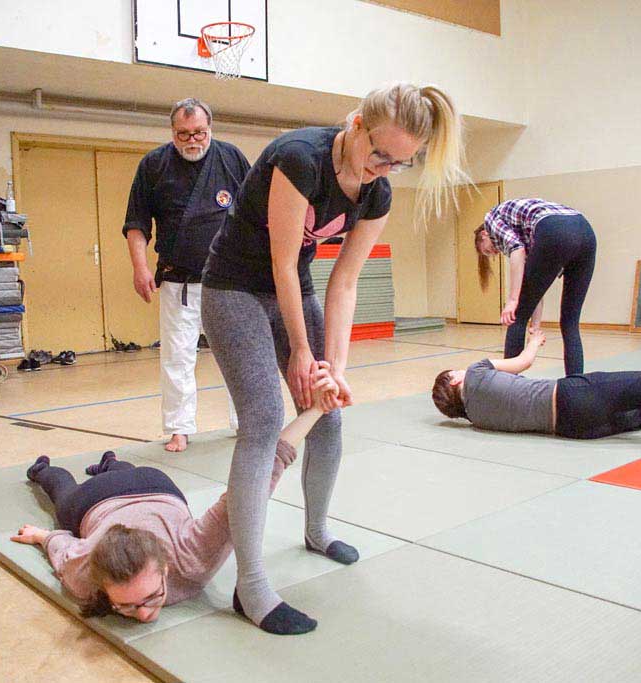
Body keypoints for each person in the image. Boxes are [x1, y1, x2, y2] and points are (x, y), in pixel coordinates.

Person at [200, 82, 470, 635]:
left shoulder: (377, 193)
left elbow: (344, 282)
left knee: (329, 412)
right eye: (378, 154)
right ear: (354, 125)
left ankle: (316, 530)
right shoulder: (300, 158)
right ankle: (249, 586)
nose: (383, 169)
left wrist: (335, 369)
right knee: (262, 422)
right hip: (233, 290)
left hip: (293, 293)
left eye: (399, 163)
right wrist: (302, 352)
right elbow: (278, 265)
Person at [11, 363, 340, 622]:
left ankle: (109, 465)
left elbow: (264, 470)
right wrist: (42, 536)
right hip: (122, 493)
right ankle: (50, 470)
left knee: (73, 495)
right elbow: (63, 546)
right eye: (124, 606)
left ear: (166, 567)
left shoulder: (193, 555)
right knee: (63, 491)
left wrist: (317, 409)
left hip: (137, 490)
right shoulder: (87, 579)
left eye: (151, 597)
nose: (142, 613)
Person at [123, 98, 250, 452]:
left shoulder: (231, 158)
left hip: (230, 281)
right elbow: (136, 222)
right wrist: (140, 266)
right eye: (183, 134)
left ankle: (246, 421)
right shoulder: (154, 165)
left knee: (238, 354)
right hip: (178, 280)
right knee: (177, 356)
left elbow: (256, 214)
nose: (192, 141)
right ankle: (180, 428)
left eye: (199, 133)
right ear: (172, 132)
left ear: (211, 129)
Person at [431, 330, 641, 463]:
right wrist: (535, 341)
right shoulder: (475, 372)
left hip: (575, 429)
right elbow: (523, 362)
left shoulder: (477, 420)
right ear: (455, 379)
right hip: (572, 395)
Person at [474, 198, 596, 375]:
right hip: (585, 231)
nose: (493, 253)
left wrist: (512, 300)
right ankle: (576, 385)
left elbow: (517, 250)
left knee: (517, 316)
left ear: (484, 235)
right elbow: (536, 285)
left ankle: (507, 386)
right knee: (570, 322)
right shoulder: (527, 235)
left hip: (554, 228)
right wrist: (536, 325)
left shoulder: (490, 220)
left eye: (486, 250)